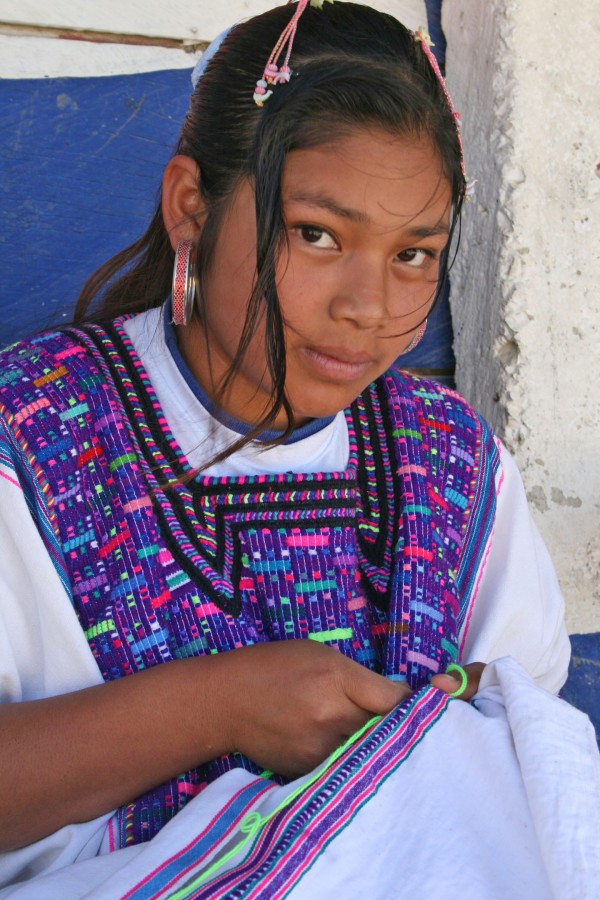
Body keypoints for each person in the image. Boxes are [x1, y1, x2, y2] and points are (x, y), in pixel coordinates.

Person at [0, 2, 598, 897]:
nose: (370, 306)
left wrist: (473, 713)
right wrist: (224, 703)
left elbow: (524, 777)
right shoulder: (37, 441)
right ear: (191, 208)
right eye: (318, 234)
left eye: (414, 253)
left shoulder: (448, 466)